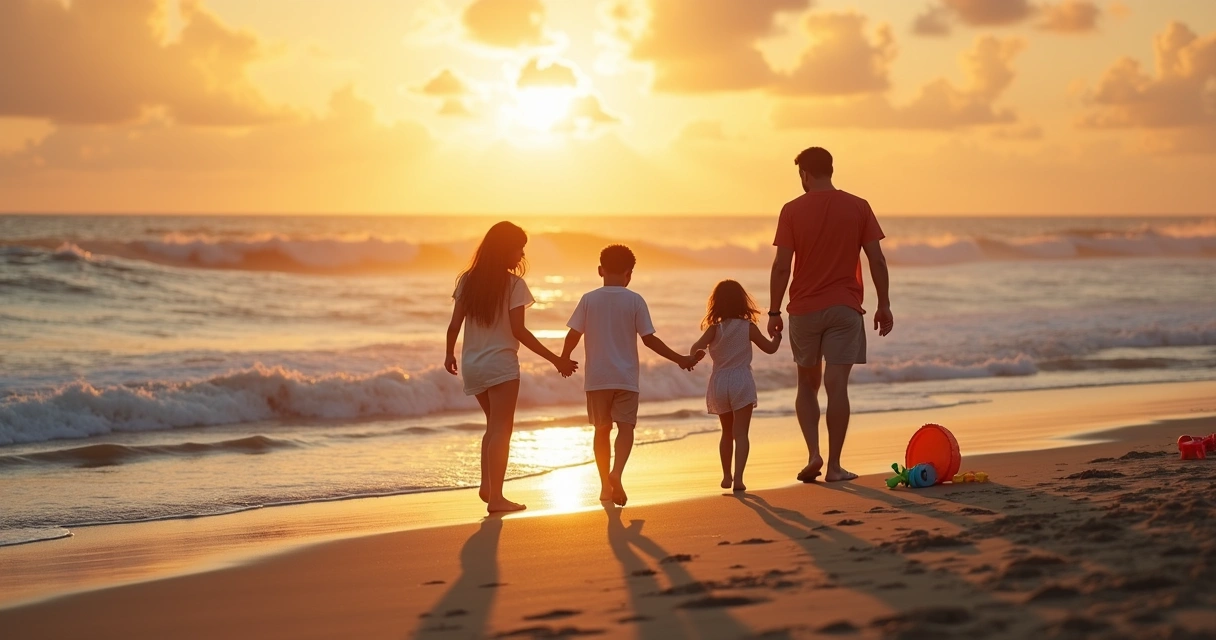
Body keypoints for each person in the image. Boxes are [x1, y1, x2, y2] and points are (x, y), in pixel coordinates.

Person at [767, 147, 893, 484]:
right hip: (844, 308)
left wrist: (774, 311)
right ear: (831, 170)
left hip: (804, 309)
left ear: (805, 174)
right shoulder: (858, 206)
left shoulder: (791, 210)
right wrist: (883, 303)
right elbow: (877, 260)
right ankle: (835, 467)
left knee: (807, 384)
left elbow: (781, 267)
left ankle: (813, 454)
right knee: (836, 385)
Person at [444, 221, 578, 513]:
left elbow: (454, 325)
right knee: (502, 429)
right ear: (505, 249)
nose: (522, 255)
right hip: (501, 365)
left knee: (493, 426)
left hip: (473, 365)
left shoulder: (467, 281)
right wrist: (555, 359)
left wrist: (449, 355)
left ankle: (487, 486)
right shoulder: (514, 285)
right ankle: (496, 498)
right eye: (519, 248)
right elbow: (519, 331)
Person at [561, 244, 700, 507]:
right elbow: (649, 340)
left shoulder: (589, 299)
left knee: (601, 430)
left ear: (600, 270)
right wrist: (680, 359)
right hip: (625, 378)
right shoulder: (635, 300)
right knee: (626, 428)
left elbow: (573, 334)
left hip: (597, 379)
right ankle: (617, 473)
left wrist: (564, 359)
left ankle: (605, 487)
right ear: (629, 274)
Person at [689, 280, 781, 493]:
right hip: (741, 380)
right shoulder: (747, 327)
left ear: (716, 303)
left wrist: (697, 356)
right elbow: (769, 349)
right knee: (741, 434)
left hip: (720, 381)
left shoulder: (714, 329)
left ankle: (726, 475)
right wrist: (777, 338)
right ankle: (739, 478)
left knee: (726, 432)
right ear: (742, 301)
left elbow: (695, 348)